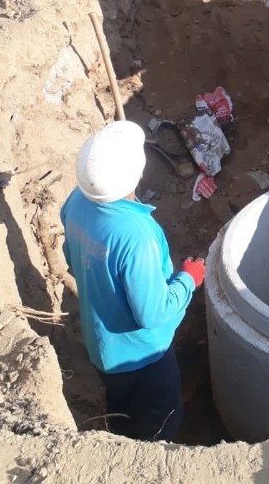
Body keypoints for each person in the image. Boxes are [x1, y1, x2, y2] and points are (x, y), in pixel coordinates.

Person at [60, 120, 205, 442]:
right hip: (144, 356)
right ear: (138, 173)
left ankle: (119, 437)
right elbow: (152, 314)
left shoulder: (76, 201)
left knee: (121, 408)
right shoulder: (137, 237)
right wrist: (188, 279)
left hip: (103, 350)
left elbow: (71, 256)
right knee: (160, 421)